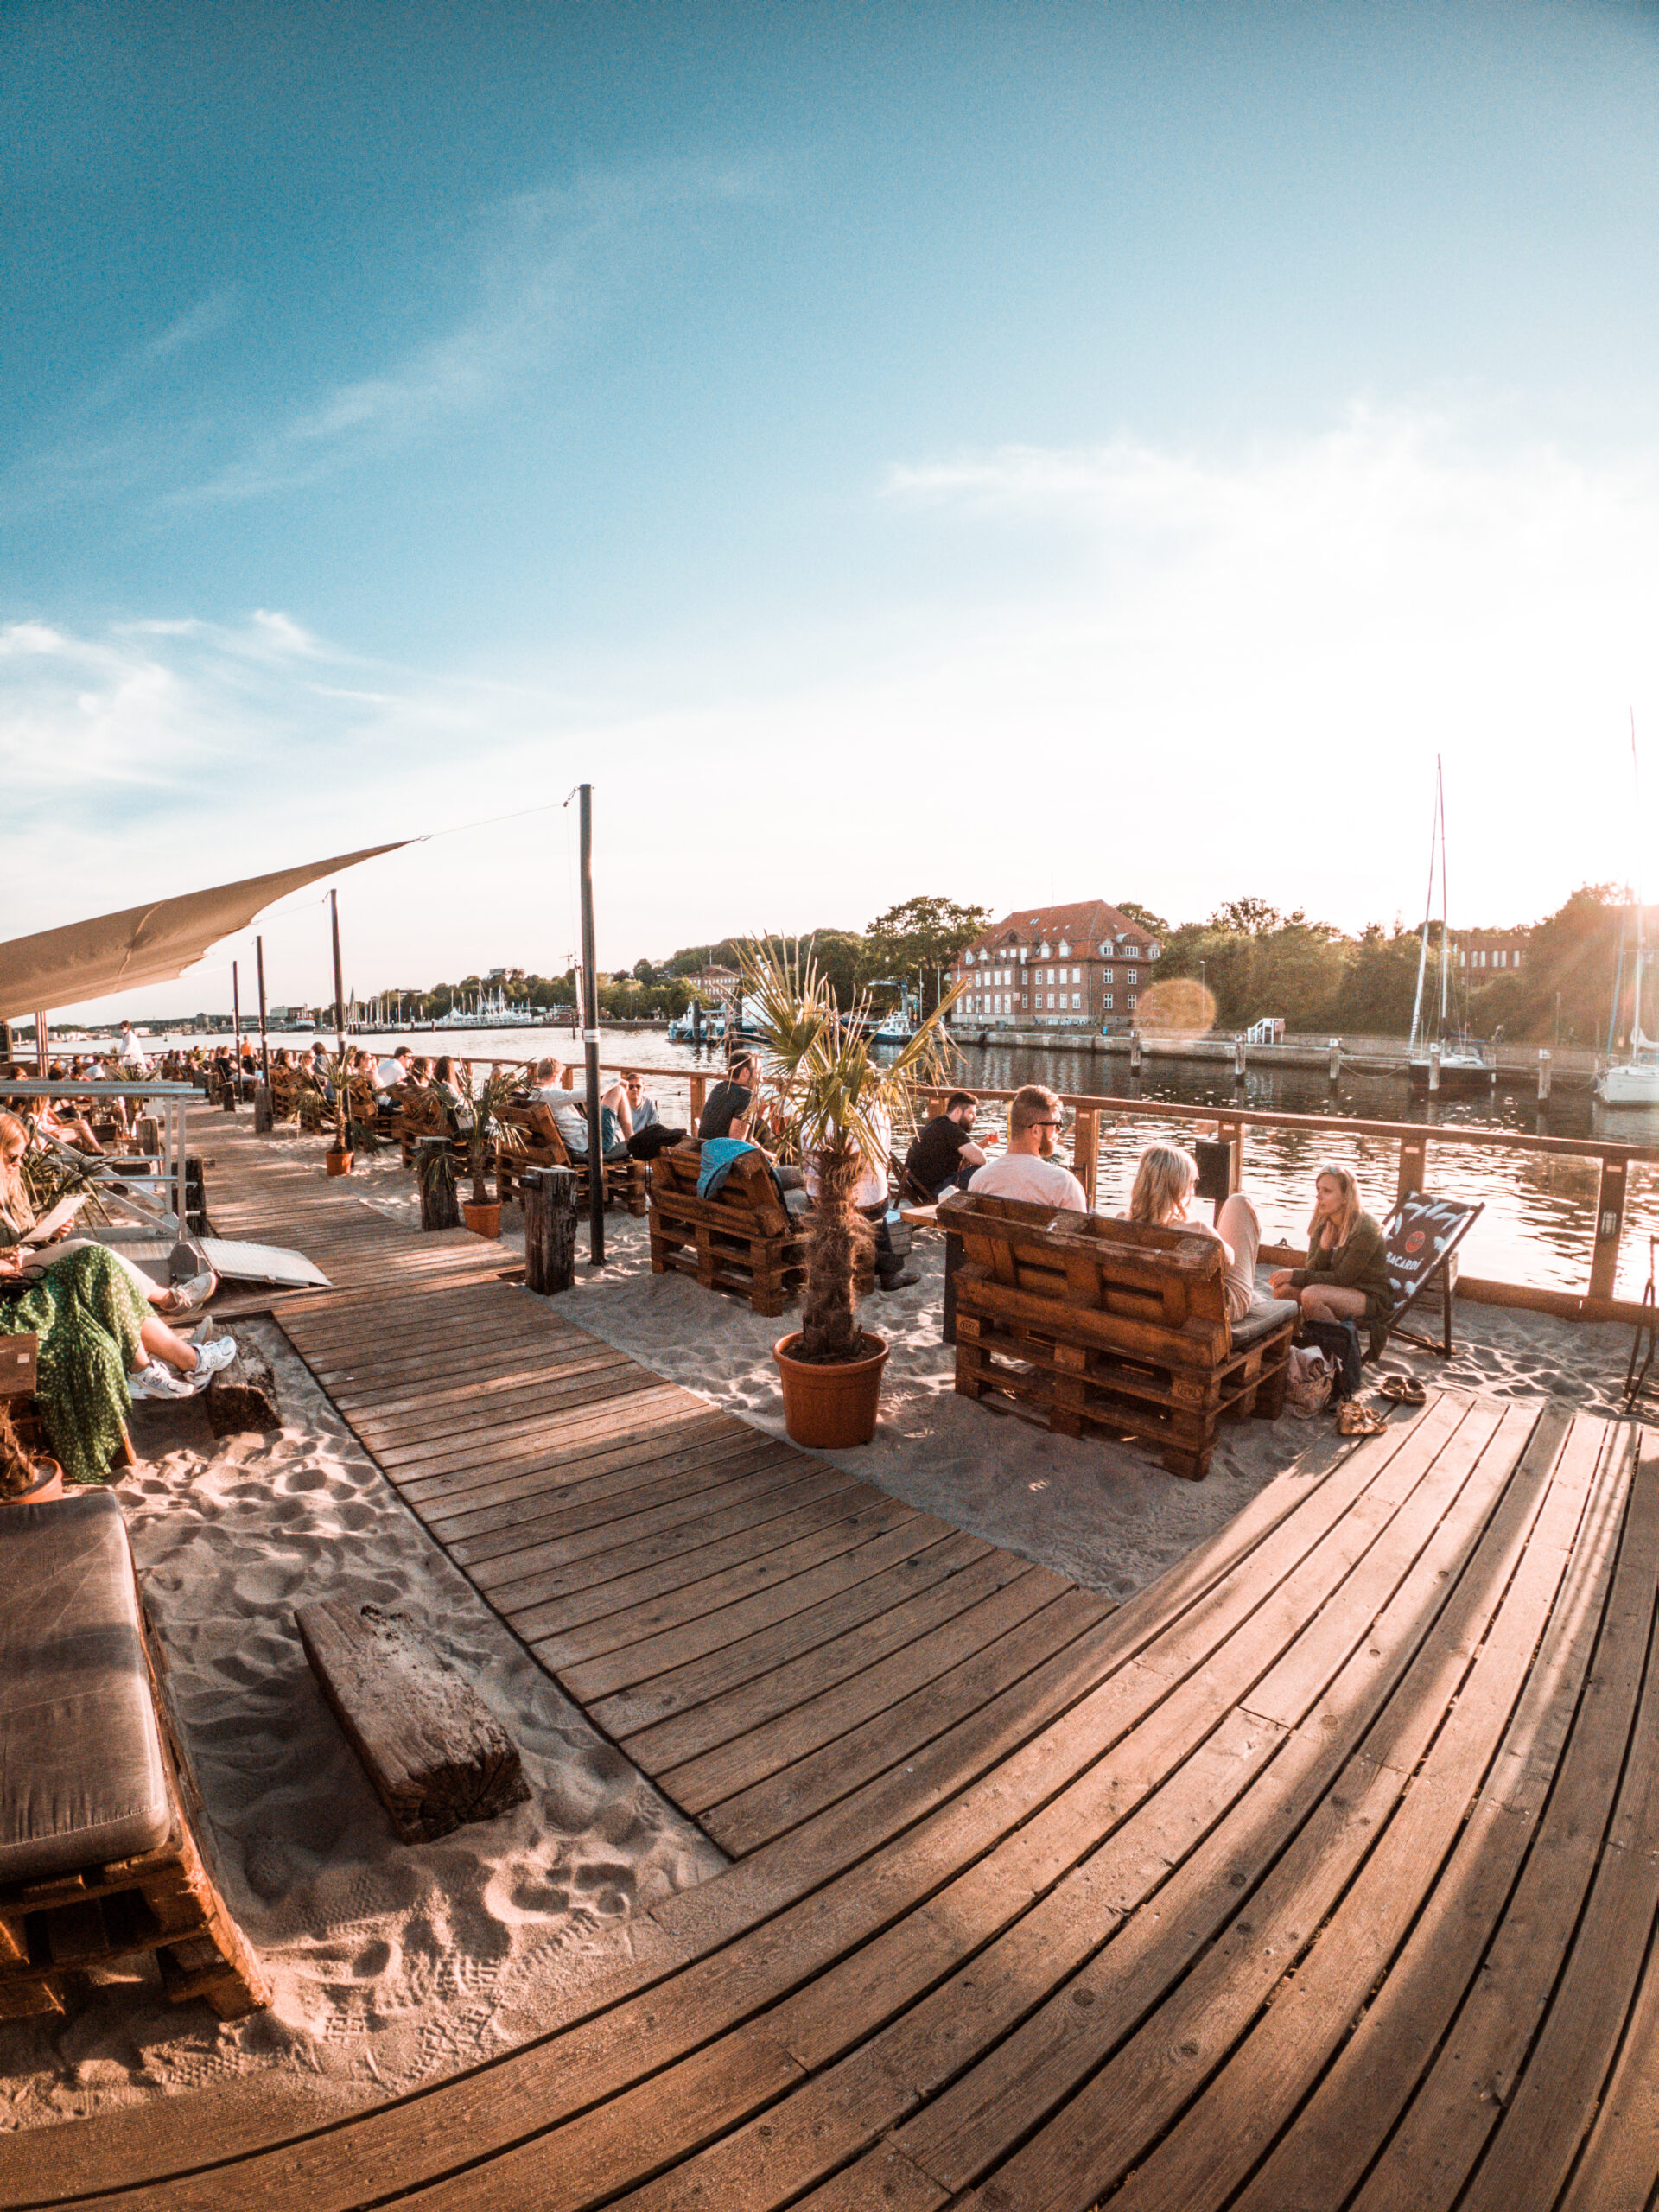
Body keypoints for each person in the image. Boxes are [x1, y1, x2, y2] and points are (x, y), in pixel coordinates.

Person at [0, 1112, 216, 1317]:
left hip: (30, 1257)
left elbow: (27, 1233)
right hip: (15, 1271)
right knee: (87, 1249)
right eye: (12, 1157)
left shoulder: (13, 1181)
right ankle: (169, 1300)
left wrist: (52, 1231)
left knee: (99, 1269)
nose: (19, 1163)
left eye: (21, 1156)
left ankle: (173, 1329)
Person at [1123, 1141, 1267, 1323]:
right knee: (1240, 1202)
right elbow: (1229, 1262)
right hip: (1203, 1309)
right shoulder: (1198, 1230)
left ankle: (1257, 1298)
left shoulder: (1119, 1221)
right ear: (1180, 1187)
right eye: (1192, 1182)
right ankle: (1257, 1299)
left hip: (1142, 1303)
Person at [1270, 1166, 1393, 1340]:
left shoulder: (1365, 1228)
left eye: (1327, 1191)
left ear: (1345, 1197)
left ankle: (1334, 1350)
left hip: (1368, 1296)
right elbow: (1312, 1267)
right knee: (1283, 1291)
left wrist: (1295, 1275)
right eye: (1318, 1189)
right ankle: (1295, 1342)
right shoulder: (1323, 1220)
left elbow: (1343, 1279)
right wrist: (1324, 1249)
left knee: (1312, 1295)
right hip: (1336, 1289)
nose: (1318, 1196)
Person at [966, 1086, 1087, 1211]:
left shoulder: (979, 1179)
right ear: (1036, 1130)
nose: (1058, 1131)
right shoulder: (1063, 1184)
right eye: (1057, 1125)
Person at [903, 1090, 987, 1203]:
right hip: (935, 1192)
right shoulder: (952, 1130)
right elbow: (981, 1160)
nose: (974, 1117)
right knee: (983, 1171)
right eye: (971, 1113)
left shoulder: (936, 1124)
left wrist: (983, 1145)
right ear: (958, 1111)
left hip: (918, 1190)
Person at [620, 1070, 685, 1160]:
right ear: (626, 1089)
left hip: (641, 1141)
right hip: (625, 1142)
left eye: (638, 1086)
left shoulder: (649, 1103)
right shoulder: (621, 1104)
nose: (634, 1089)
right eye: (631, 1087)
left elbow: (653, 1127)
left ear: (644, 1089)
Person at [699, 1053, 760, 1141]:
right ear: (746, 1072)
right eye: (757, 1073)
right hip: (724, 1153)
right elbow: (737, 1141)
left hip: (705, 1149)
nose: (760, 1079)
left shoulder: (719, 1087)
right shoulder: (747, 1095)